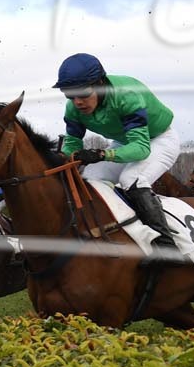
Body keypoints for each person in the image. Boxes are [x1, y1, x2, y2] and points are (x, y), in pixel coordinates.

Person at [54, 52, 179, 254]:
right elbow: (72, 145)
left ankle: (167, 246)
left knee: (132, 179)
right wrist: (61, 158)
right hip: (124, 141)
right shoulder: (73, 109)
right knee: (90, 178)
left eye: (83, 93)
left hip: (159, 139)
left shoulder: (126, 95)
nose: (77, 102)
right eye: (70, 94)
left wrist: (102, 155)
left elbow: (141, 148)